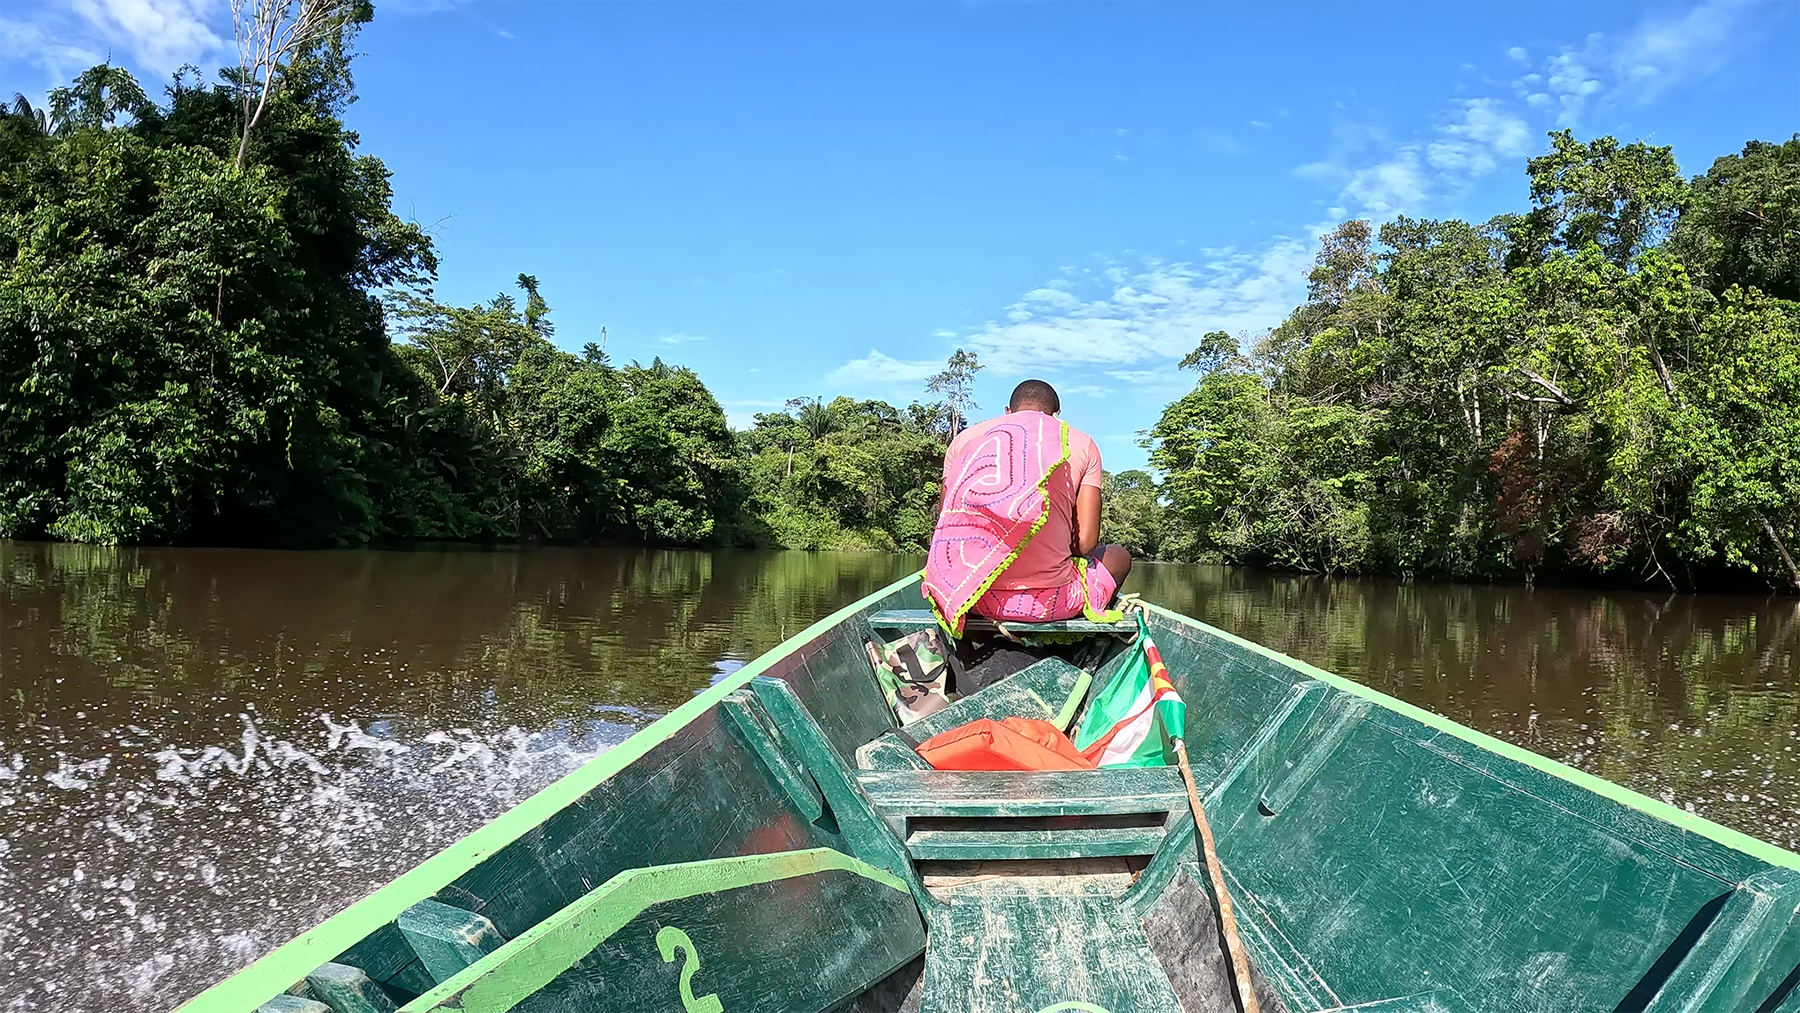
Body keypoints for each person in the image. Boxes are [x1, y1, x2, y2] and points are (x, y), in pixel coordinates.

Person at [922, 379, 1132, 634]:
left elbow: (948, 528)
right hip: (1052, 604)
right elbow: (1085, 544)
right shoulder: (1081, 442)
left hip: (968, 597)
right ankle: (1080, 638)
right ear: (1056, 415)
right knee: (1119, 556)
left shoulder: (965, 440)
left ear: (1008, 412)